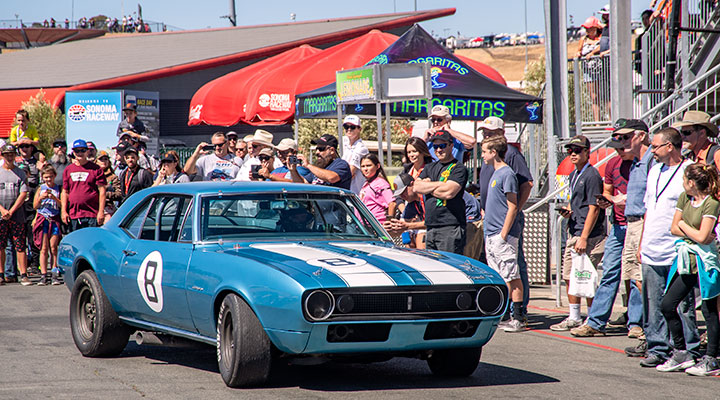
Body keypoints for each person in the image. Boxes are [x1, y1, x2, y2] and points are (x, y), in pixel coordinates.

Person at [636, 127, 700, 368]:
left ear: (670, 146)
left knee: (682, 305)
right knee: (653, 303)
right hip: (652, 248)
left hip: (677, 249)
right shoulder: (654, 171)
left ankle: (687, 348)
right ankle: (657, 347)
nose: (652, 151)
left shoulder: (689, 171)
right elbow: (648, 209)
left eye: (655, 146)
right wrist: (642, 242)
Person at [651, 163, 720, 375]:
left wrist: (684, 227)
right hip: (686, 262)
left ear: (691, 182)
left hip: (705, 262)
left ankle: (711, 358)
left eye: (684, 180)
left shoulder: (712, 203)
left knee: (709, 311)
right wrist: (689, 230)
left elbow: (702, 236)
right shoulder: (684, 197)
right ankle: (681, 353)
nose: (683, 184)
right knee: (667, 305)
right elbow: (675, 228)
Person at [571, 125, 639, 337]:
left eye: (622, 145)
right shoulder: (612, 164)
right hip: (618, 225)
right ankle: (596, 322)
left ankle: (636, 323)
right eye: (616, 147)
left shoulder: (643, 165)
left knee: (635, 276)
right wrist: (609, 200)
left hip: (637, 224)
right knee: (610, 272)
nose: (619, 150)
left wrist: (627, 200)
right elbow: (607, 192)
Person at [478, 116, 534, 325]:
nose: (486, 134)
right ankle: (503, 310)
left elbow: (525, 185)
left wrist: (509, 221)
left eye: (490, 131)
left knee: (513, 269)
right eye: (485, 131)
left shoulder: (511, 156)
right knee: (499, 272)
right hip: (491, 226)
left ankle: (518, 312)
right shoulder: (492, 166)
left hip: (504, 227)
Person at [551, 135, 607, 331]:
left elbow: (594, 207)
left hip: (588, 235)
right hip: (574, 230)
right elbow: (577, 201)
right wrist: (568, 210)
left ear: (587, 152)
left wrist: (584, 237)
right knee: (569, 275)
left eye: (577, 150)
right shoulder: (575, 174)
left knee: (587, 276)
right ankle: (574, 315)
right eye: (570, 151)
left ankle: (592, 318)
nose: (573, 154)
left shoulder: (591, 175)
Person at [413, 131, 469, 254]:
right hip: (431, 226)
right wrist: (440, 184)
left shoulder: (458, 168)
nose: (438, 150)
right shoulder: (429, 167)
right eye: (435, 147)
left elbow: (449, 192)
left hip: (450, 227)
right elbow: (416, 187)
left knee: (450, 268)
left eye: (442, 146)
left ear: (451, 145)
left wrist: (428, 185)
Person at [0, 145, 30, 286]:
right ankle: (1, 274)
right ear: (3, 155)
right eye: (7, 154)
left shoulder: (20, 173)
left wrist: (11, 211)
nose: (9, 157)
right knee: (1, 245)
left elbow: (23, 193)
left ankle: (23, 274)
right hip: (1, 214)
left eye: (11, 154)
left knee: (20, 244)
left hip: (16, 214)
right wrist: (2, 210)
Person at [61, 139, 106, 231]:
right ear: (73, 152)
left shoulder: (96, 169)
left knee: (91, 242)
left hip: (92, 214)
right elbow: (65, 192)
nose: (80, 153)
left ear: (87, 151)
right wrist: (63, 211)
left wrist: (101, 211)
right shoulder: (68, 169)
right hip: (74, 214)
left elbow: (102, 191)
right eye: (77, 151)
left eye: (83, 150)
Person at [32, 165, 62, 286]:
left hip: (54, 219)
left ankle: (54, 272)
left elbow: (62, 205)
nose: (48, 180)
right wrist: (40, 198)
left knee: (53, 247)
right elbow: (35, 206)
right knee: (43, 248)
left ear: (54, 176)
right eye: (46, 177)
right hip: (43, 219)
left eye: (50, 177)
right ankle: (44, 274)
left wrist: (54, 198)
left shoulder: (58, 189)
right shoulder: (41, 188)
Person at [384, 173, 426, 249]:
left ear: (412, 184)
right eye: (399, 194)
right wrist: (387, 231)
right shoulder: (412, 203)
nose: (402, 196)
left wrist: (407, 226)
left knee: (422, 236)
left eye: (403, 191)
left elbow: (432, 222)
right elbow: (402, 224)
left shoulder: (427, 197)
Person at [576, 16, 604, 122]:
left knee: (605, 96)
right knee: (594, 97)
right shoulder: (583, 39)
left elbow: (603, 46)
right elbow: (579, 50)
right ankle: (597, 122)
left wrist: (593, 53)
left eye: (590, 28)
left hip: (601, 70)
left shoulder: (602, 38)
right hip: (589, 71)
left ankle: (609, 120)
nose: (588, 31)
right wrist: (578, 54)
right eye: (587, 29)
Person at [359, 153, 395, 224]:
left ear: (377, 166)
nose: (365, 169)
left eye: (369, 165)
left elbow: (392, 203)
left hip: (376, 225)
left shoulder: (381, 183)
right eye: (363, 166)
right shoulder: (366, 183)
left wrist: (389, 222)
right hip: (364, 225)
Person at [340, 115, 369, 194]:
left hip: (356, 193)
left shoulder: (361, 148)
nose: (349, 129)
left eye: (352, 127)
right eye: (346, 127)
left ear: (359, 129)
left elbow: (349, 172)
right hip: (346, 192)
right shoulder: (346, 147)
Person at [96, 151, 122, 221]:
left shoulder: (113, 177)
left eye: (105, 159)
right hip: (94, 208)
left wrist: (104, 194)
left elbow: (119, 194)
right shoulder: (92, 176)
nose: (103, 161)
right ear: (96, 161)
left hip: (108, 208)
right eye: (101, 159)